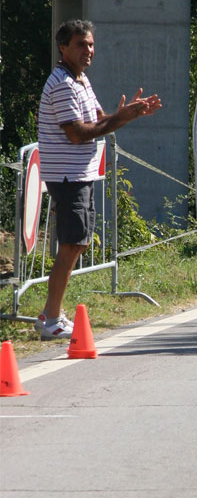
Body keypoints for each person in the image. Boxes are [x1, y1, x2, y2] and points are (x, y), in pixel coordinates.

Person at [36, 19, 162, 340]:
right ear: (63, 48)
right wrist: (118, 119)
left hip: (80, 174)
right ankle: (51, 319)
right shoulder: (63, 84)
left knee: (76, 244)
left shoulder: (80, 80)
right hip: (68, 176)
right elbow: (78, 134)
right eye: (81, 44)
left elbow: (97, 120)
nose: (88, 50)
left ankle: (50, 313)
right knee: (71, 245)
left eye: (91, 44)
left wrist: (128, 114)